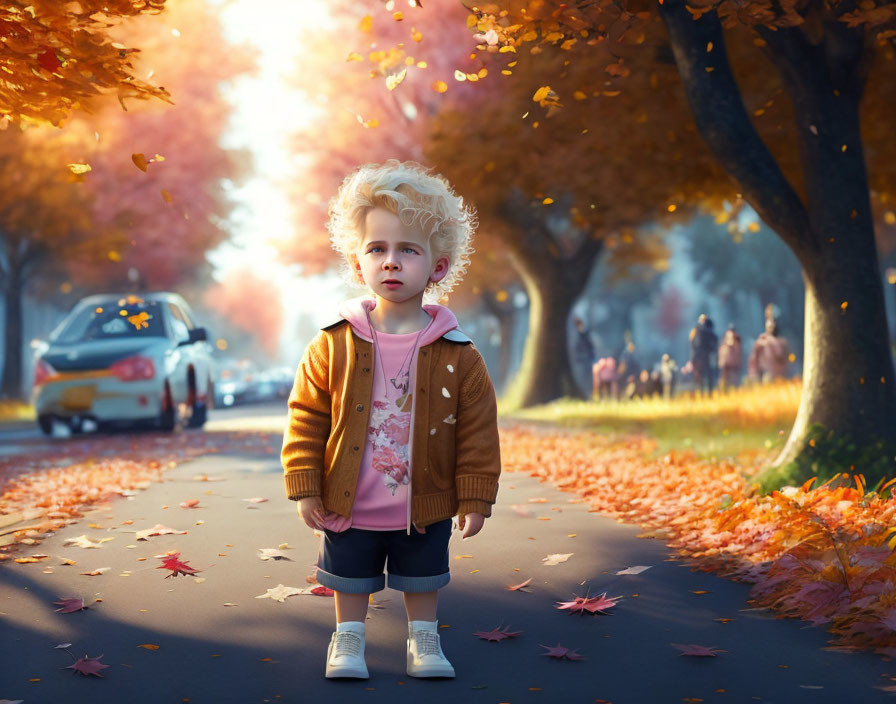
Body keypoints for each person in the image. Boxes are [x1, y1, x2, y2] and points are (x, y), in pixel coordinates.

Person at [281, 160, 501, 681]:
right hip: (348, 498)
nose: (391, 262)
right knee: (349, 575)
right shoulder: (333, 343)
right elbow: (307, 415)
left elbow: (477, 432)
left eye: (408, 249)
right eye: (377, 249)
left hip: (423, 499)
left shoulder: (459, 354)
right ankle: (347, 641)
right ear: (359, 265)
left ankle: (424, 641)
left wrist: (475, 495)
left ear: (438, 267)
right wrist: (306, 485)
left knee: (423, 574)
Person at [748, 316, 791, 382]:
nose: (772, 329)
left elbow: (783, 356)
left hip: (780, 374)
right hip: (766, 372)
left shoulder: (782, 342)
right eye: (770, 327)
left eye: (774, 326)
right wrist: (753, 373)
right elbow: (753, 359)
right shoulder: (761, 341)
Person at [689, 314, 718, 395]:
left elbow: (693, 346)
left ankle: (706, 393)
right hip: (702, 357)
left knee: (705, 377)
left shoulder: (698, 330)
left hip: (704, 357)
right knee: (703, 377)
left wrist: (692, 359)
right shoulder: (699, 330)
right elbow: (693, 345)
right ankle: (705, 393)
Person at [571, 316, 596, 399]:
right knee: (582, 378)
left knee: (588, 378)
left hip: (587, 360)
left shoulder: (585, 334)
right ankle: (586, 395)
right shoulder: (576, 336)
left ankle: (589, 395)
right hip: (581, 360)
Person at [718, 324, 743, 390]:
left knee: (726, 378)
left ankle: (725, 389)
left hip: (727, 361)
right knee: (731, 378)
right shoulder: (732, 336)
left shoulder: (725, 340)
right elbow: (731, 344)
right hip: (731, 362)